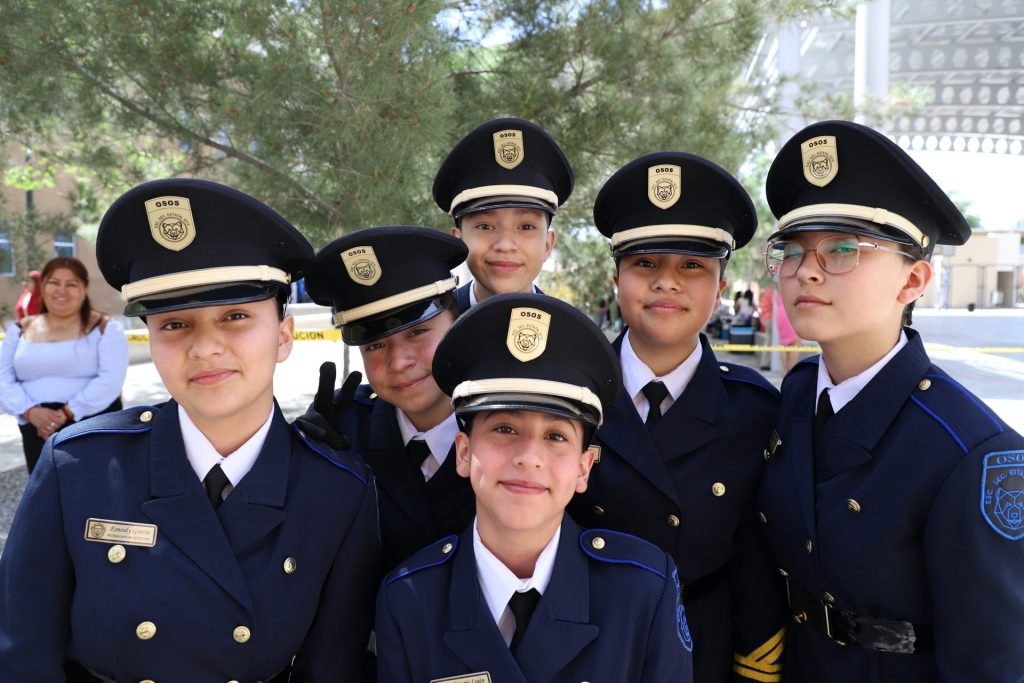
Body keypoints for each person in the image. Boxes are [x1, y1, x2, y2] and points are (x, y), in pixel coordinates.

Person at [0, 178, 380, 682]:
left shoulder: (337, 490)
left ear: (283, 336)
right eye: (174, 324)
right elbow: (21, 651)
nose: (204, 348)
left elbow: (330, 668)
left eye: (236, 316)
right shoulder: (78, 466)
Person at [758, 120, 1024, 682]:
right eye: (792, 250)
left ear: (913, 281)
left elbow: (993, 662)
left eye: (843, 249)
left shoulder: (974, 454)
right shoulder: (800, 393)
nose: (806, 271)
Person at [376, 293, 694, 682]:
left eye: (556, 436)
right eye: (504, 429)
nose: (529, 457)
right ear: (464, 453)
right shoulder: (408, 599)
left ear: (583, 468)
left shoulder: (643, 591)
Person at [567, 151, 788, 683]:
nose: (667, 282)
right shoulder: (568, 395)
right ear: (616, 277)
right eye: (645, 263)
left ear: (720, 286)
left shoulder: (755, 410)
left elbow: (757, 563)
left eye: (692, 265)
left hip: (702, 652)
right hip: (583, 645)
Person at [300, 226, 476, 573]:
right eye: (375, 345)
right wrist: (299, 464)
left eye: (418, 332)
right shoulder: (342, 431)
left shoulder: (507, 429)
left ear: (458, 326)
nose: (398, 362)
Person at [0, 256, 128, 473]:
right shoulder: (19, 330)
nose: (62, 290)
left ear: (84, 289)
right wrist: (30, 412)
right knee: (44, 488)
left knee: (94, 487)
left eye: (71, 284)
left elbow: (111, 379)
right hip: (35, 426)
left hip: (92, 423)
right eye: (54, 282)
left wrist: (68, 412)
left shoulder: (106, 328)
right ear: (43, 287)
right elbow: (3, 378)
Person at [433, 117, 573, 312]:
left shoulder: (568, 329)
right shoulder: (435, 327)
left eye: (526, 227)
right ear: (459, 241)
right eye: (485, 226)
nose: (505, 245)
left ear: (548, 245)